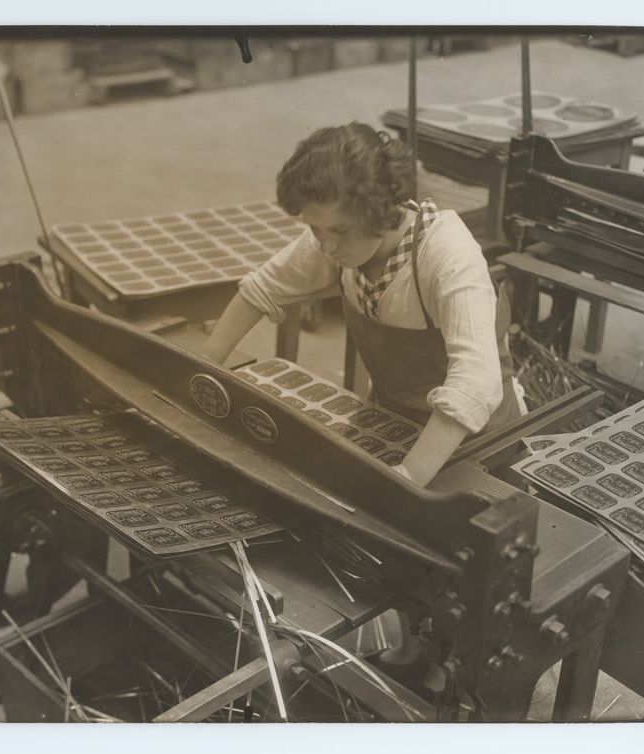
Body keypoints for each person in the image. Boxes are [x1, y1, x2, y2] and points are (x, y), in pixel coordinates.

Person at [202, 123, 524, 671]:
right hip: (397, 419)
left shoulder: (447, 254)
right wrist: (201, 371)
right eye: (314, 229)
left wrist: (404, 485)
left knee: (454, 564)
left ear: (385, 210)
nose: (324, 246)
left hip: (478, 437)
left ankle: (449, 664)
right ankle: (413, 642)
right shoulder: (337, 241)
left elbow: (475, 382)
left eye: (338, 231)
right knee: (382, 553)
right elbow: (261, 289)